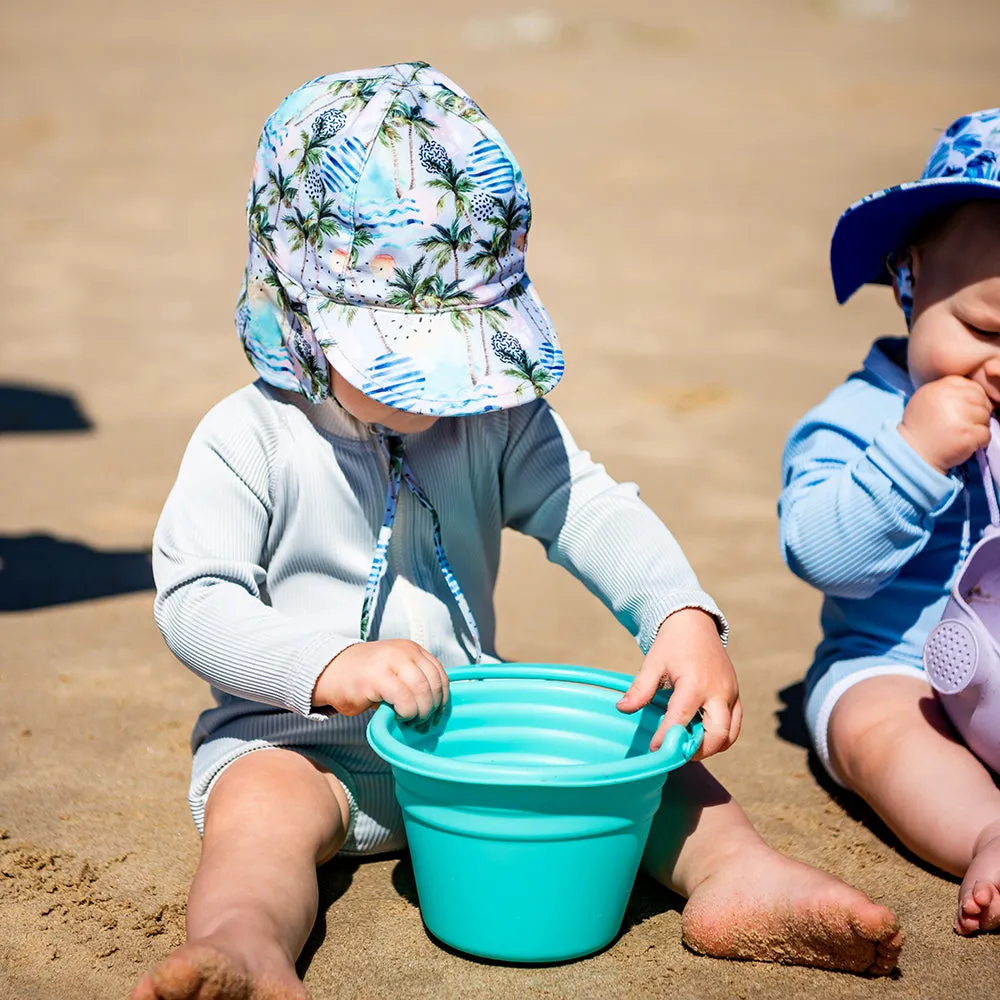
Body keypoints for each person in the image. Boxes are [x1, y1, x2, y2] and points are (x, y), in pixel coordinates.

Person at [133, 62, 902, 1000]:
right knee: (258, 825)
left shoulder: (492, 417)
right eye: (401, 355)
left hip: (465, 728)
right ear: (299, 309)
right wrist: (328, 666)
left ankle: (740, 877)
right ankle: (245, 946)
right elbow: (196, 601)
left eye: (460, 350)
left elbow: (588, 503)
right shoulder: (247, 438)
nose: (442, 389)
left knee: (648, 760)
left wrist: (679, 614)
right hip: (298, 742)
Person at [780, 108, 1000, 937]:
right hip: (896, 664)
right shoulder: (861, 418)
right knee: (875, 727)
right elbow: (821, 554)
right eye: (983, 329)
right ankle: (984, 830)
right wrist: (912, 457)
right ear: (912, 281)